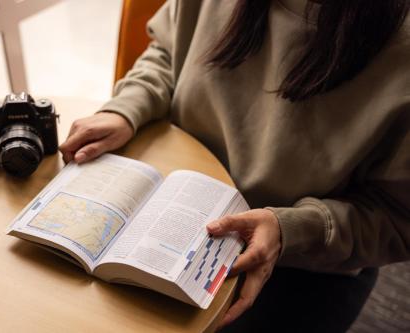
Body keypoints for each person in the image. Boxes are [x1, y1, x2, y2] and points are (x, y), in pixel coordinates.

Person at [60, 0, 410, 332]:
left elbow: (398, 219)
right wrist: (126, 108)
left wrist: (292, 229)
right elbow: (168, 51)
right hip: (170, 207)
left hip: (300, 263)